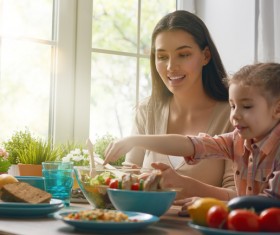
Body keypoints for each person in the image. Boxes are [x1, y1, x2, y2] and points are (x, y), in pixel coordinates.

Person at [104, 62, 280, 200]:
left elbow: (271, 203)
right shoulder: (236, 140)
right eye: (232, 106)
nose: (235, 115)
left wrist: (215, 205)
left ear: (277, 109)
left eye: (247, 106)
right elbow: (190, 144)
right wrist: (135, 140)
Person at [122, 10, 237, 203]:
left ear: (206, 56)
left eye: (183, 54)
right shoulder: (147, 111)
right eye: (162, 57)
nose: (171, 67)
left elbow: (239, 196)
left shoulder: (233, 115)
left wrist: (189, 187)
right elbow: (127, 178)